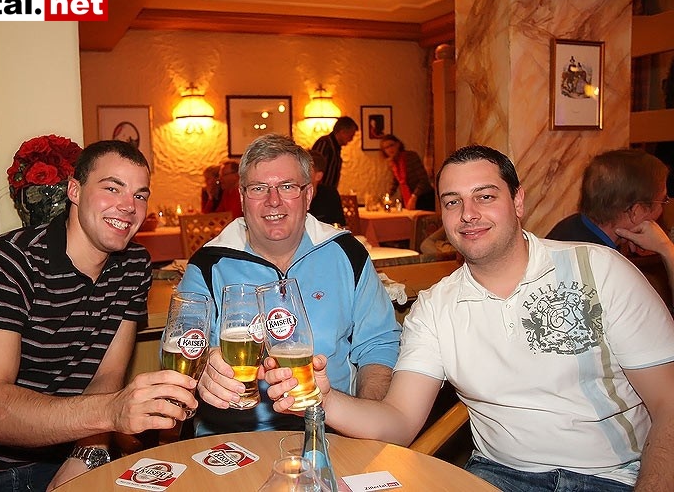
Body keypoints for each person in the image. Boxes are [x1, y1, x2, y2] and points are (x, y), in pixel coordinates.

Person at [266, 145, 674, 492]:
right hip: (497, 476)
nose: (468, 214)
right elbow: (399, 421)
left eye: (485, 196)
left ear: (518, 201)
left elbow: (668, 404)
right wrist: (325, 397)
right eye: (452, 202)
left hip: (609, 477)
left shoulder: (599, 270)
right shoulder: (435, 307)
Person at [0, 141, 198, 491]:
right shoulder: (5, 263)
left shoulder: (133, 266)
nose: (128, 206)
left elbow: (107, 374)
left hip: (51, 462)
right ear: (74, 191)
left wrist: (87, 453)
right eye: (112, 188)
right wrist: (112, 412)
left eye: (140, 195)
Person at [177, 134, 401, 435]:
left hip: (333, 430)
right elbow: (183, 355)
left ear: (308, 194)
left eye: (287, 187)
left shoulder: (347, 253)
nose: (273, 201)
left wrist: (364, 420)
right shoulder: (207, 264)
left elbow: (379, 345)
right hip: (233, 441)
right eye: (258, 188)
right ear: (242, 197)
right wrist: (204, 370)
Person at [546, 148, 674, 299]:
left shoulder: (569, 227)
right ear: (636, 212)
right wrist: (667, 249)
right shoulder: (610, 269)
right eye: (663, 200)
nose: (663, 208)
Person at [379, 134, 435, 211]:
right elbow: (395, 182)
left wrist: (414, 197)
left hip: (423, 197)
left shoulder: (410, 156)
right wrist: (386, 197)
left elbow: (424, 180)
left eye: (391, 145)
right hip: (407, 197)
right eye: (386, 148)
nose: (390, 149)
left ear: (398, 144)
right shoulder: (393, 163)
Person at [311, 116, 358, 190]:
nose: (351, 139)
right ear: (342, 132)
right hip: (320, 192)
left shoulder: (336, 148)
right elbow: (315, 169)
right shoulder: (324, 143)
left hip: (328, 191)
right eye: (351, 135)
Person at [307, 149, 345, 227]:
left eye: (306, 171)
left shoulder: (330, 195)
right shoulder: (293, 196)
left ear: (318, 176)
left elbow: (340, 226)